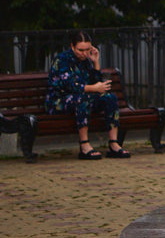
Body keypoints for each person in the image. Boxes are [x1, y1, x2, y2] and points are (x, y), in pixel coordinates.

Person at [45, 31, 130, 159]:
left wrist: (95, 62)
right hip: (59, 101)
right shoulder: (62, 60)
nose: (84, 53)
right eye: (80, 50)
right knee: (82, 98)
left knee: (110, 98)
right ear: (72, 47)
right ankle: (84, 145)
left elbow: (94, 81)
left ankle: (114, 143)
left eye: (87, 49)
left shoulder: (85, 60)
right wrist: (94, 88)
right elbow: (71, 86)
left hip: (82, 99)